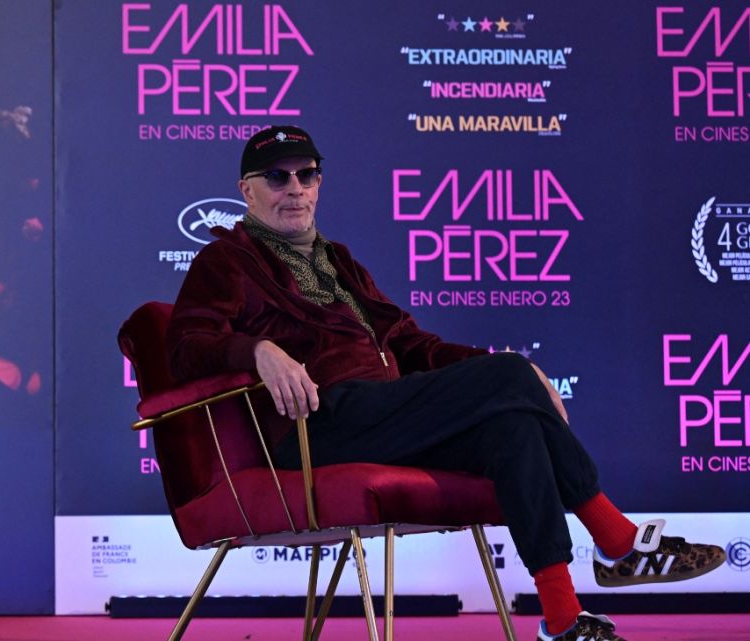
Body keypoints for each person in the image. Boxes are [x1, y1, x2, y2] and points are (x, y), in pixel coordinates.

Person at [166, 126, 727, 641]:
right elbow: (186, 346)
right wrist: (258, 349)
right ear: (247, 190)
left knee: (512, 425)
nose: (295, 188)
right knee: (509, 378)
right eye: (277, 176)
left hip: (386, 413)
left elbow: (413, 345)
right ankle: (617, 540)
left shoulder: (339, 261)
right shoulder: (226, 261)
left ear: (319, 182)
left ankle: (561, 619)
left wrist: (515, 375)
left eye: (307, 173)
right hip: (319, 425)